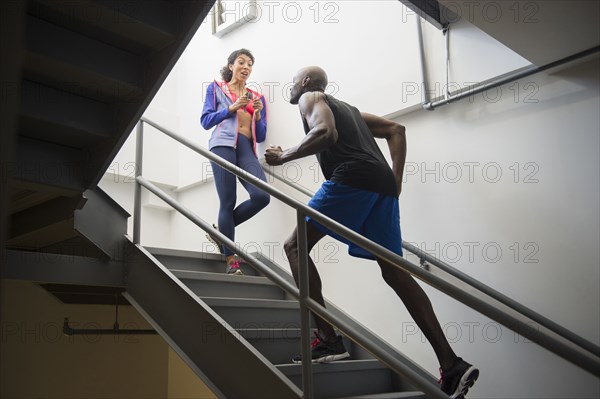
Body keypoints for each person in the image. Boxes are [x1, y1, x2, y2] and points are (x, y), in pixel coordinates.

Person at [265, 66, 479, 398]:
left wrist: (284, 156)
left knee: (294, 247)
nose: (291, 88)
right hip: (380, 186)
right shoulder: (349, 110)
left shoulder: (310, 98)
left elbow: (325, 133)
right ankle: (451, 364)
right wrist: (396, 179)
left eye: (293, 82)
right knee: (394, 270)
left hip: (352, 178)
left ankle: (329, 339)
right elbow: (396, 128)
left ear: (306, 83)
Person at [201, 49, 270, 275]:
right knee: (228, 201)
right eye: (241, 62)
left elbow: (260, 134)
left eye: (250, 64)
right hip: (222, 144)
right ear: (231, 66)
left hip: (245, 148)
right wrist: (231, 107)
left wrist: (258, 116)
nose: (246, 67)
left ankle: (221, 233)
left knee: (262, 196)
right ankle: (231, 260)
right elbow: (205, 120)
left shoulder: (257, 98)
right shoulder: (216, 88)